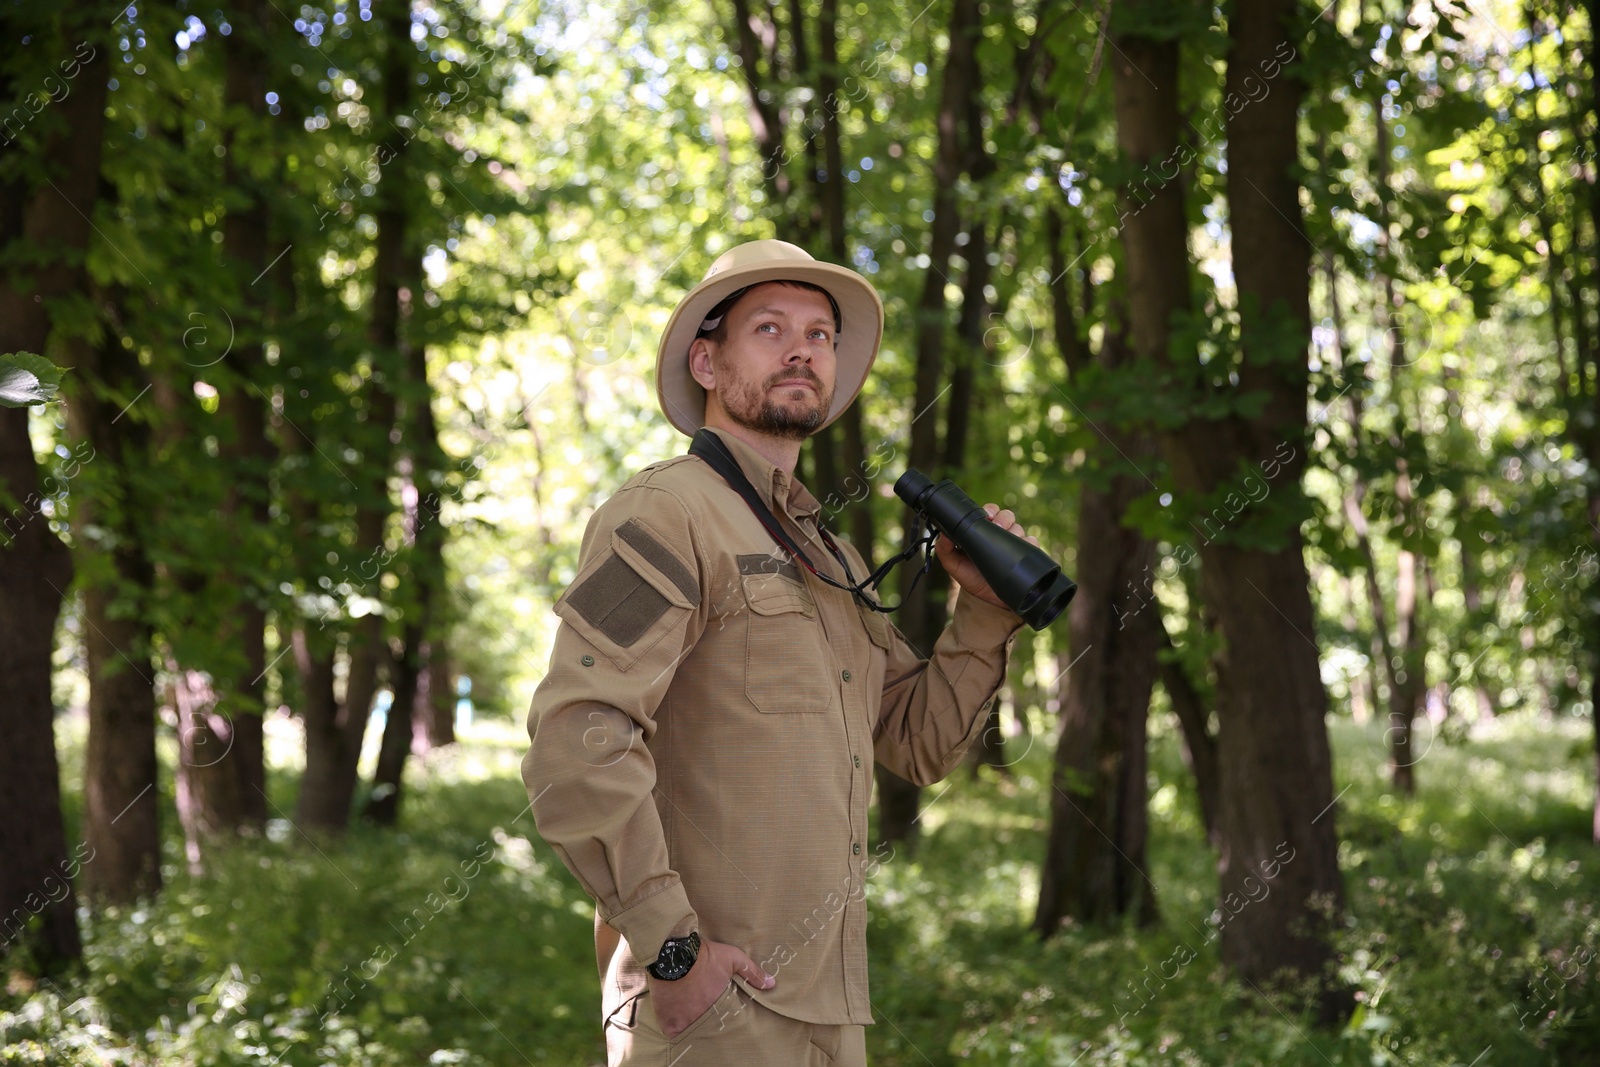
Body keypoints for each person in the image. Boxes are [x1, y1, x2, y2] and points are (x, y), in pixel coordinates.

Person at [522, 238, 1035, 1065]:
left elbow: (917, 739)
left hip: (831, 1013)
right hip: (708, 1013)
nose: (803, 347)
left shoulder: (830, 557)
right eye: (769, 327)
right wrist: (672, 949)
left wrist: (980, 610)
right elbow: (576, 740)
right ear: (708, 363)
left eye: (821, 334)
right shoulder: (662, 513)